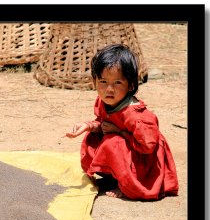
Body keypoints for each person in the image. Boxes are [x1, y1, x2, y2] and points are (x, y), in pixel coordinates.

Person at [65, 43, 179, 200]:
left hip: (144, 162)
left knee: (114, 143)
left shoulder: (136, 115)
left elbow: (148, 147)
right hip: (128, 154)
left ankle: (126, 184)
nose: (109, 89)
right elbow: (104, 124)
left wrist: (119, 132)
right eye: (103, 82)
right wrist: (88, 126)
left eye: (117, 83)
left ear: (131, 84)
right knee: (92, 137)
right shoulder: (104, 102)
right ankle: (114, 176)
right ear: (95, 81)